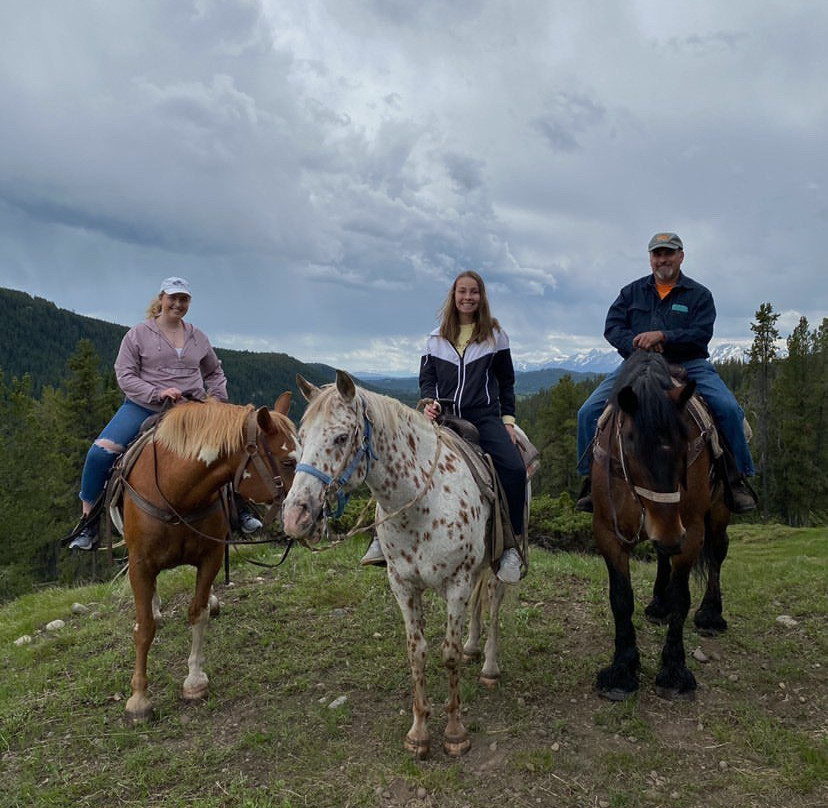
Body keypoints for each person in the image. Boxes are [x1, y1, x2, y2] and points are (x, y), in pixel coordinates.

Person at [68, 277, 262, 549]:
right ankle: (87, 524)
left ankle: (240, 509)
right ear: (161, 299)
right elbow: (124, 374)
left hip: (192, 409)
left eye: (184, 299)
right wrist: (156, 393)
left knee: (228, 449)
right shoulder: (138, 334)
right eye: (173, 298)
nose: (178, 304)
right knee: (99, 454)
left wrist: (216, 402)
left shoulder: (197, 336)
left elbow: (214, 372)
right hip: (143, 406)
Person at [361, 270, 526, 584]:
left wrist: (508, 421)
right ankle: (380, 538)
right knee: (393, 460)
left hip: (484, 418)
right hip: (443, 417)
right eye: (462, 292)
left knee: (515, 471)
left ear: (481, 297)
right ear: (453, 296)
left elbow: (506, 382)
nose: (467, 298)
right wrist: (430, 401)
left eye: (473, 292)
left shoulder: (495, 335)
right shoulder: (435, 338)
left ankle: (511, 546)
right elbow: (428, 380)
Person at [575, 232, 757, 514]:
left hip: (688, 363)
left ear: (680, 256)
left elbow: (701, 333)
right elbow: (612, 327)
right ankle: (591, 481)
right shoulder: (631, 292)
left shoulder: (699, 295)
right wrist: (634, 343)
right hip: (639, 364)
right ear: (650, 259)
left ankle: (736, 479)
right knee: (587, 413)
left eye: (668, 253)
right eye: (657, 254)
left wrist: (665, 336)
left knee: (729, 409)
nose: (663, 259)